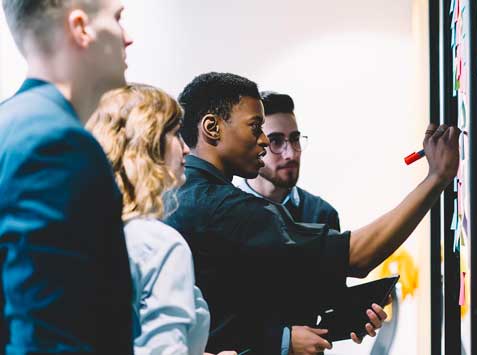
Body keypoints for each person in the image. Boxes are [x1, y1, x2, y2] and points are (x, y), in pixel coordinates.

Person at [166, 72, 460, 355]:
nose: (267, 143)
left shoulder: (178, 195)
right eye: (256, 127)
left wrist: (347, 314)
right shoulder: (227, 208)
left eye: (293, 139)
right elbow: (357, 256)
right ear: (212, 127)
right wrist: (437, 177)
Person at [0, 0, 134, 353]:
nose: (128, 37)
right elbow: (51, 336)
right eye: (118, 18)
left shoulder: (12, 122)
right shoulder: (54, 141)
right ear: (80, 27)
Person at [88, 84, 236, 355]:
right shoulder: (160, 244)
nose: (186, 149)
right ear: (148, 143)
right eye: (176, 134)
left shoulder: (82, 230)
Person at [236, 91, 340, 231]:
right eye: (275, 141)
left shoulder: (321, 214)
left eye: (295, 139)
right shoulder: (224, 214)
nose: (290, 154)